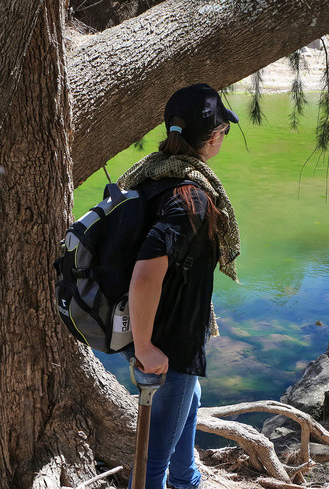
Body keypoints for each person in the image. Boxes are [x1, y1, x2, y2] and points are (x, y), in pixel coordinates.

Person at [117, 83, 240, 489]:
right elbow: (146, 275)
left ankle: (188, 481)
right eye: (224, 130)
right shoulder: (191, 198)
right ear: (214, 135)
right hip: (168, 346)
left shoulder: (151, 176)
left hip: (170, 336)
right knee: (152, 461)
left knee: (191, 407)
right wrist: (145, 346)